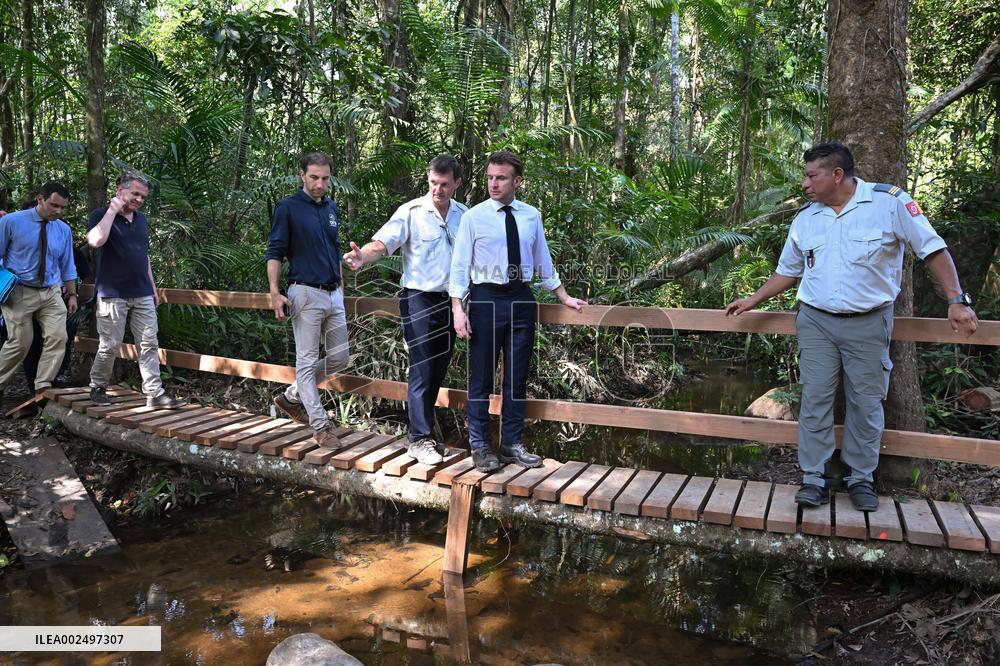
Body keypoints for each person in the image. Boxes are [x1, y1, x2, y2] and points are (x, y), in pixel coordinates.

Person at [724, 141, 978, 511]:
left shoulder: (888, 203)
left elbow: (932, 249)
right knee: (815, 399)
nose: (806, 184)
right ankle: (814, 478)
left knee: (866, 402)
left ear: (838, 174)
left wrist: (956, 300)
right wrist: (753, 300)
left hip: (868, 322)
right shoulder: (807, 218)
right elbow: (787, 271)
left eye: (812, 176)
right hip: (815, 321)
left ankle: (860, 478)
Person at [449, 150, 587, 473]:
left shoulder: (530, 216)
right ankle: (481, 446)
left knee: (516, 377)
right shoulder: (474, 217)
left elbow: (543, 260)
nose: (493, 184)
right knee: (481, 377)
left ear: (517, 181)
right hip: (485, 299)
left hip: (522, 299)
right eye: (490, 177)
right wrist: (458, 308)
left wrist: (563, 296)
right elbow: (459, 267)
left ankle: (512, 444)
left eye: (501, 178)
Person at [343, 156, 467, 465]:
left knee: (438, 369)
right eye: (433, 183)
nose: (438, 190)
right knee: (422, 369)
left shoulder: (465, 216)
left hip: (452, 303)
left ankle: (424, 436)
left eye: (444, 184)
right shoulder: (411, 212)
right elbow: (383, 243)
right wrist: (363, 257)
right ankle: (418, 438)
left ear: (456, 184)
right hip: (419, 300)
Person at [266, 152, 349, 450]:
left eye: (325, 178)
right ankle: (320, 425)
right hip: (304, 292)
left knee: (341, 358)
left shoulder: (330, 208)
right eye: (314, 177)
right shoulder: (288, 207)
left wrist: (341, 286)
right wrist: (275, 292)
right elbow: (274, 251)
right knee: (306, 360)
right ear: (302, 175)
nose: (319, 184)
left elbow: (333, 249)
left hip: (333, 294)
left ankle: (291, 397)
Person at [87, 171, 185, 409]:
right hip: (113, 293)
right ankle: (98, 386)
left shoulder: (141, 220)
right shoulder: (100, 215)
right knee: (109, 344)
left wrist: (152, 287)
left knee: (149, 342)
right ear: (120, 190)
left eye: (143, 196)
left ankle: (154, 392)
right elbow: (94, 241)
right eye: (135, 194)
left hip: (141, 291)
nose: (139, 200)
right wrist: (112, 210)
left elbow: (144, 256)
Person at [0, 182, 78, 400]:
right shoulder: (11, 222)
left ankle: (42, 387)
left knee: (58, 336)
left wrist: (72, 294)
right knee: (20, 344)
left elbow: (67, 265)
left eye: (62, 207)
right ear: (40, 199)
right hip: (19, 291)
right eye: (54, 205)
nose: (58, 211)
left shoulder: (63, 229)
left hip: (50, 292)